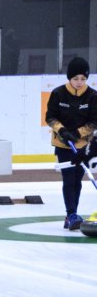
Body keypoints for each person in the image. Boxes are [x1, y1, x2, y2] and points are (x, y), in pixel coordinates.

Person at [45, 57, 97, 230]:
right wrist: (62, 131)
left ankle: (71, 214)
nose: (79, 83)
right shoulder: (58, 93)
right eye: (75, 79)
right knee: (68, 180)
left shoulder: (92, 96)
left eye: (83, 79)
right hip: (62, 145)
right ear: (69, 78)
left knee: (77, 181)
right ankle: (71, 214)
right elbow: (50, 117)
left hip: (81, 145)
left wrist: (77, 134)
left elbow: (94, 122)